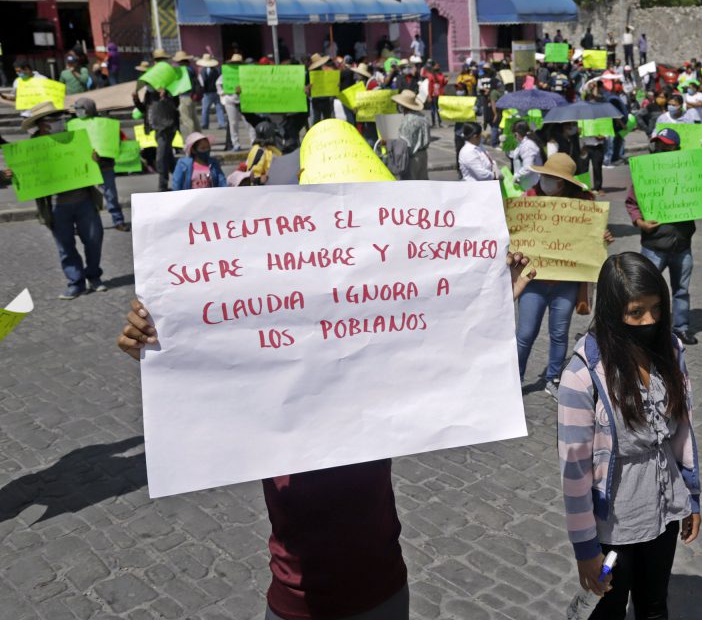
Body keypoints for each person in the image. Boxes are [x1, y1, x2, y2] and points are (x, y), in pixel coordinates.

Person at [117, 253, 537, 620]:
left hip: (382, 591)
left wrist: (492, 299)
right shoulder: (264, 401)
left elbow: (431, 348)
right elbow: (208, 384)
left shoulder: (369, 384)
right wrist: (157, 353)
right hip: (298, 602)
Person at [558, 251, 701, 618]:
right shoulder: (581, 375)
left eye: (656, 309)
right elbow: (575, 472)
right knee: (609, 610)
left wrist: (691, 494)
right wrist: (586, 548)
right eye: (636, 312)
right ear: (611, 310)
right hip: (613, 524)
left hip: (664, 507)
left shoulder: (671, 349)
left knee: (654, 604)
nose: (649, 320)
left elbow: (682, 429)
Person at [516, 154, 613, 396]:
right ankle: (514, 380)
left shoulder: (582, 205)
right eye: (545, 175)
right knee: (525, 334)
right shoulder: (528, 199)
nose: (546, 180)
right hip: (533, 281)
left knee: (559, 334)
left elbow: (591, 239)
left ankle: (553, 378)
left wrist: (603, 237)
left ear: (564, 182)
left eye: (552, 178)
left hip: (566, 283)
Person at [626, 129, 702, 346]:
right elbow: (631, 203)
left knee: (681, 290)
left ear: (676, 149)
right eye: (657, 144)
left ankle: (681, 328)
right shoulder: (645, 172)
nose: (660, 148)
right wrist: (640, 223)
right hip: (653, 245)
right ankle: (639, 327)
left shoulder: (689, 170)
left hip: (682, 245)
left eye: (665, 145)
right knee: (641, 290)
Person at [11, 102, 106, 298]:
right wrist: (13, 172)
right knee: (65, 246)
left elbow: (93, 163)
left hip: (84, 200)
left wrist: (94, 159)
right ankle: (76, 282)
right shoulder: (31, 148)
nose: (59, 123)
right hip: (56, 206)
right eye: (53, 120)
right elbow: (25, 175)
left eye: (59, 118)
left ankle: (94, 276)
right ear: (42, 124)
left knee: (94, 240)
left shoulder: (74, 138)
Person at [73, 98, 129, 232]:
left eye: (79, 109)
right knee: (81, 197)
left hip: (105, 165)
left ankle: (118, 220)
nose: (76, 112)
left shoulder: (105, 125)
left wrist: (101, 155)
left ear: (87, 110)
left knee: (111, 195)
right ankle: (81, 224)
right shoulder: (75, 125)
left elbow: (114, 144)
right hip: (85, 167)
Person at [219, 53, 246, 151]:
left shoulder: (246, 72)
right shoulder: (227, 73)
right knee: (233, 123)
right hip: (230, 100)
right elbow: (218, 83)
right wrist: (223, 92)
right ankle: (236, 144)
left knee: (248, 123)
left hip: (244, 100)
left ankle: (253, 142)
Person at [509, 120, 544, 191]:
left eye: (514, 135)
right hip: (527, 183)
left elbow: (528, 167)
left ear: (517, 134)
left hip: (532, 184)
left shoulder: (528, 145)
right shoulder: (524, 142)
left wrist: (517, 176)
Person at [173, 50, 200, 138]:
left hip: (184, 96)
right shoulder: (191, 69)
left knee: (186, 119)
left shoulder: (183, 71)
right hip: (191, 96)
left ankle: (193, 138)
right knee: (193, 118)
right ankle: (198, 136)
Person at [196, 53, 226, 131]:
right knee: (219, 108)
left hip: (207, 93)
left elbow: (202, 83)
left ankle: (205, 124)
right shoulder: (217, 70)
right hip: (216, 91)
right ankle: (221, 123)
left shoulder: (202, 71)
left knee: (205, 109)